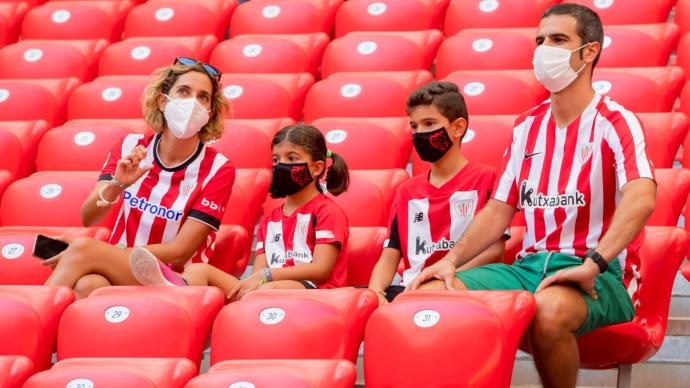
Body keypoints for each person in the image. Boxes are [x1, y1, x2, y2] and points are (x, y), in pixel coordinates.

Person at [407, 4, 656, 388]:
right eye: (540, 40)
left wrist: (593, 263)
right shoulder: (526, 126)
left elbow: (642, 196)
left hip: (600, 273)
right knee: (431, 292)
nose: (544, 49)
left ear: (589, 51)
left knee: (549, 311)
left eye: (558, 40)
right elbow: (499, 209)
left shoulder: (616, 121)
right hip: (528, 268)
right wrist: (451, 261)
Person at [42, 57, 234, 299]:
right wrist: (118, 184)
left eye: (202, 97)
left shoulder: (219, 168)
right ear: (163, 101)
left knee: (83, 248)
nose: (192, 102)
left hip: (176, 278)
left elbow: (180, 252)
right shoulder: (130, 146)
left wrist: (104, 254)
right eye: (184, 92)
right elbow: (88, 217)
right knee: (87, 285)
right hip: (122, 268)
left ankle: (30, 321)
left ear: (209, 112)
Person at [128, 124, 351, 300]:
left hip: (316, 293)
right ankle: (173, 291)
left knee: (269, 290)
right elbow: (260, 271)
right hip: (268, 287)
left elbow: (321, 270)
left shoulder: (328, 211)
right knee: (200, 270)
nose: (282, 165)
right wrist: (255, 282)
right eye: (276, 160)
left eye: (292, 159)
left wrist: (267, 277)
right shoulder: (271, 219)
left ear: (317, 167)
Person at [367, 81, 507, 305]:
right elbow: (390, 254)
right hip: (409, 291)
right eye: (414, 126)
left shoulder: (487, 179)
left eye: (429, 123)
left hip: (465, 290)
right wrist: (375, 294)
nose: (420, 133)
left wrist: (437, 279)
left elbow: (494, 251)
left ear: (458, 127)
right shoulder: (406, 191)